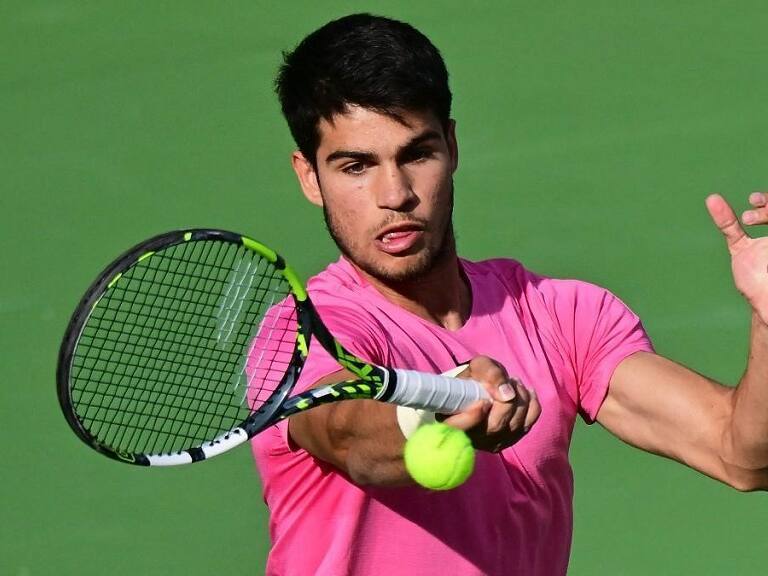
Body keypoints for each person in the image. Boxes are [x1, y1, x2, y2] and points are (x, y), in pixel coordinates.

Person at [250, 13, 768, 575]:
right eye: (356, 166)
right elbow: (348, 435)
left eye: (416, 154)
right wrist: (445, 400)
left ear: (451, 146)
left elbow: (742, 455)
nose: (394, 194)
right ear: (309, 176)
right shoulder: (304, 332)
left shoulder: (561, 316)